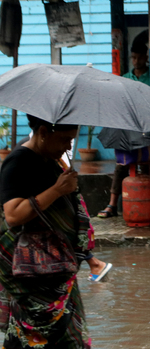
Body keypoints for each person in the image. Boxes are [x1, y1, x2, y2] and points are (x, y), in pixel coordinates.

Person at [0, 115, 92, 348]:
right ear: (43, 132)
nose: (69, 146)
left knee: (69, 338)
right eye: (64, 139)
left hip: (57, 271)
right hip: (34, 273)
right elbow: (13, 215)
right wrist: (57, 190)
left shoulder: (50, 160)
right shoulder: (18, 162)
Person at [16, 133, 112, 282]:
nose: (68, 146)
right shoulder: (36, 152)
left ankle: (94, 265)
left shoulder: (46, 154)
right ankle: (94, 265)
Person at [97, 40, 150, 218]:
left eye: (139, 57)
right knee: (121, 164)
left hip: (146, 127)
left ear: (146, 57)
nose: (136, 61)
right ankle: (112, 205)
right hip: (127, 127)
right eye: (133, 58)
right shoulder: (126, 78)